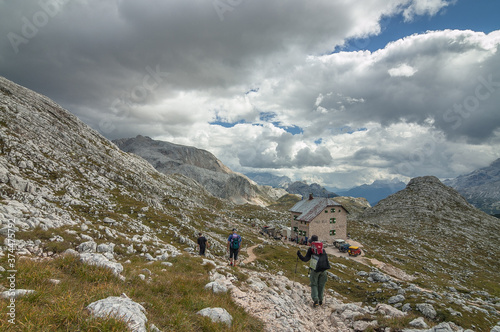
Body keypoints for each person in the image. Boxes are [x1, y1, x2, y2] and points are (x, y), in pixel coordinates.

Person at [297, 235, 331, 307]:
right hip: (324, 270)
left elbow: (305, 259)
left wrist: (299, 255)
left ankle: (316, 300)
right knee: (321, 285)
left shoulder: (311, 249)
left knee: (314, 284)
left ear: (312, 241)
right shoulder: (322, 248)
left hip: (315, 270)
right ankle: (321, 300)